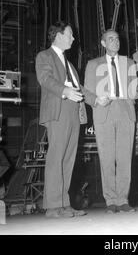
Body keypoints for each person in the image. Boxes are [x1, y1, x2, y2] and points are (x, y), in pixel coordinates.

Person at [35, 21, 97, 218]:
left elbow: (80, 89)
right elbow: (45, 79)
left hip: (72, 113)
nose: (73, 38)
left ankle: (64, 203)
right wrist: (65, 91)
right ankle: (53, 206)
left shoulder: (69, 64)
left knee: (68, 159)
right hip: (58, 110)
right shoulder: (44, 56)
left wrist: (96, 99)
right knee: (56, 157)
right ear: (58, 36)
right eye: (70, 34)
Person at [84, 29, 137, 213]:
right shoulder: (93, 64)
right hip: (103, 111)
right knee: (107, 159)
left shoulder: (130, 63)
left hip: (125, 111)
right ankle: (110, 201)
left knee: (124, 158)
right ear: (103, 43)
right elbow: (87, 91)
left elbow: (134, 91)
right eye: (111, 39)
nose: (115, 41)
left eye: (117, 39)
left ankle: (123, 199)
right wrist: (96, 99)